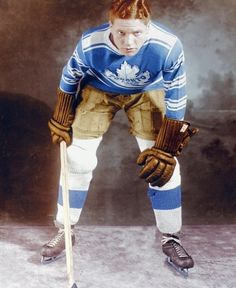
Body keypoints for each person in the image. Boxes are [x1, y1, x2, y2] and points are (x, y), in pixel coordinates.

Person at [41, 0, 198, 271]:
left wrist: (167, 145)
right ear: (110, 24)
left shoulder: (169, 45)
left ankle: (171, 237)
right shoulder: (91, 42)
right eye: (121, 32)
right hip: (100, 90)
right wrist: (62, 114)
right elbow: (70, 78)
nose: (128, 41)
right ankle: (65, 230)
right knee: (76, 158)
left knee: (163, 166)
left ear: (147, 27)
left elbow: (176, 96)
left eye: (137, 33)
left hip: (148, 92)